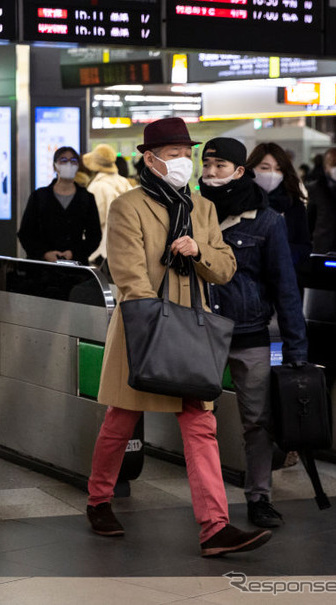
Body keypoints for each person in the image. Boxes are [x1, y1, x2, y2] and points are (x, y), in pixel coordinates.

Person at [85, 117, 272, 557]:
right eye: (174, 155)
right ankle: (98, 500)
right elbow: (129, 277)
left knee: (200, 425)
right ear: (150, 160)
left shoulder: (202, 208)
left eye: (187, 154)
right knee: (121, 419)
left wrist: (198, 249)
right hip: (144, 329)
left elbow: (225, 268)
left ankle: (214, 527)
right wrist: (159, 324)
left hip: (192, 332)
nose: (183, 163)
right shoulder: (128, 206)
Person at [200, 137, 309, 529]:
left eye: (220, 167)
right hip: (201, 332)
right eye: (206, 166)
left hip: (249, 333)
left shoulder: (267, 221)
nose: (211, 174)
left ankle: (259, 497)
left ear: (238, 171)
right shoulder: (191, 213)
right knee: (198, 421)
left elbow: (286, 288)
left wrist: (297, 348)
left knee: (258, 421)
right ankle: (210, 505)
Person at [17, 146, 102, 265]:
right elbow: (25, 233)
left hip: (76, 267)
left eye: (73, 161)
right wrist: (44, 253)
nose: (69, 164)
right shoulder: (39, 196)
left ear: (78, 166)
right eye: (63, 160)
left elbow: (94, 235)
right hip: (42, 267)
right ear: (55, 166)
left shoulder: (86, 198)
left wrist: (74, 253)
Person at [246, 143, 311, 272]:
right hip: (247, 281)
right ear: (251, 169)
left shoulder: (293, 204)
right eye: (265, 168)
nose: (272, 174)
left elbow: (304, 247)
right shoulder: (240, 202)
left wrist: (280, 254)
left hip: (283, 277)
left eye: (278, 169)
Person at [82, 144, 132, 265]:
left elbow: (93, 221)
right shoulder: (124, 182)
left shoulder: (97, 187)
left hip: (102, 251)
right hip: (125, 247)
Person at [307, 147, 336, 253]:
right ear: (325, 167)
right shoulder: (317, 188)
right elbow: (310, 220)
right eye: (334, 164)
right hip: (323, 248)